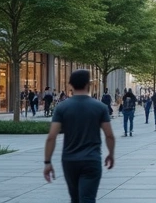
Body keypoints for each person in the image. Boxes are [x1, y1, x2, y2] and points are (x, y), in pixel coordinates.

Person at [44, 70, 115, 203]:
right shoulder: (100, 107)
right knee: (88, 198)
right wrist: (111, 154)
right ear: (88, 84)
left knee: (75, 198)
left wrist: (47, 162)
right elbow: (109, 135)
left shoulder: (62, 108)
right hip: (92, 159)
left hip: (69, 160)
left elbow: (51, 137)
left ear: (71, 85)